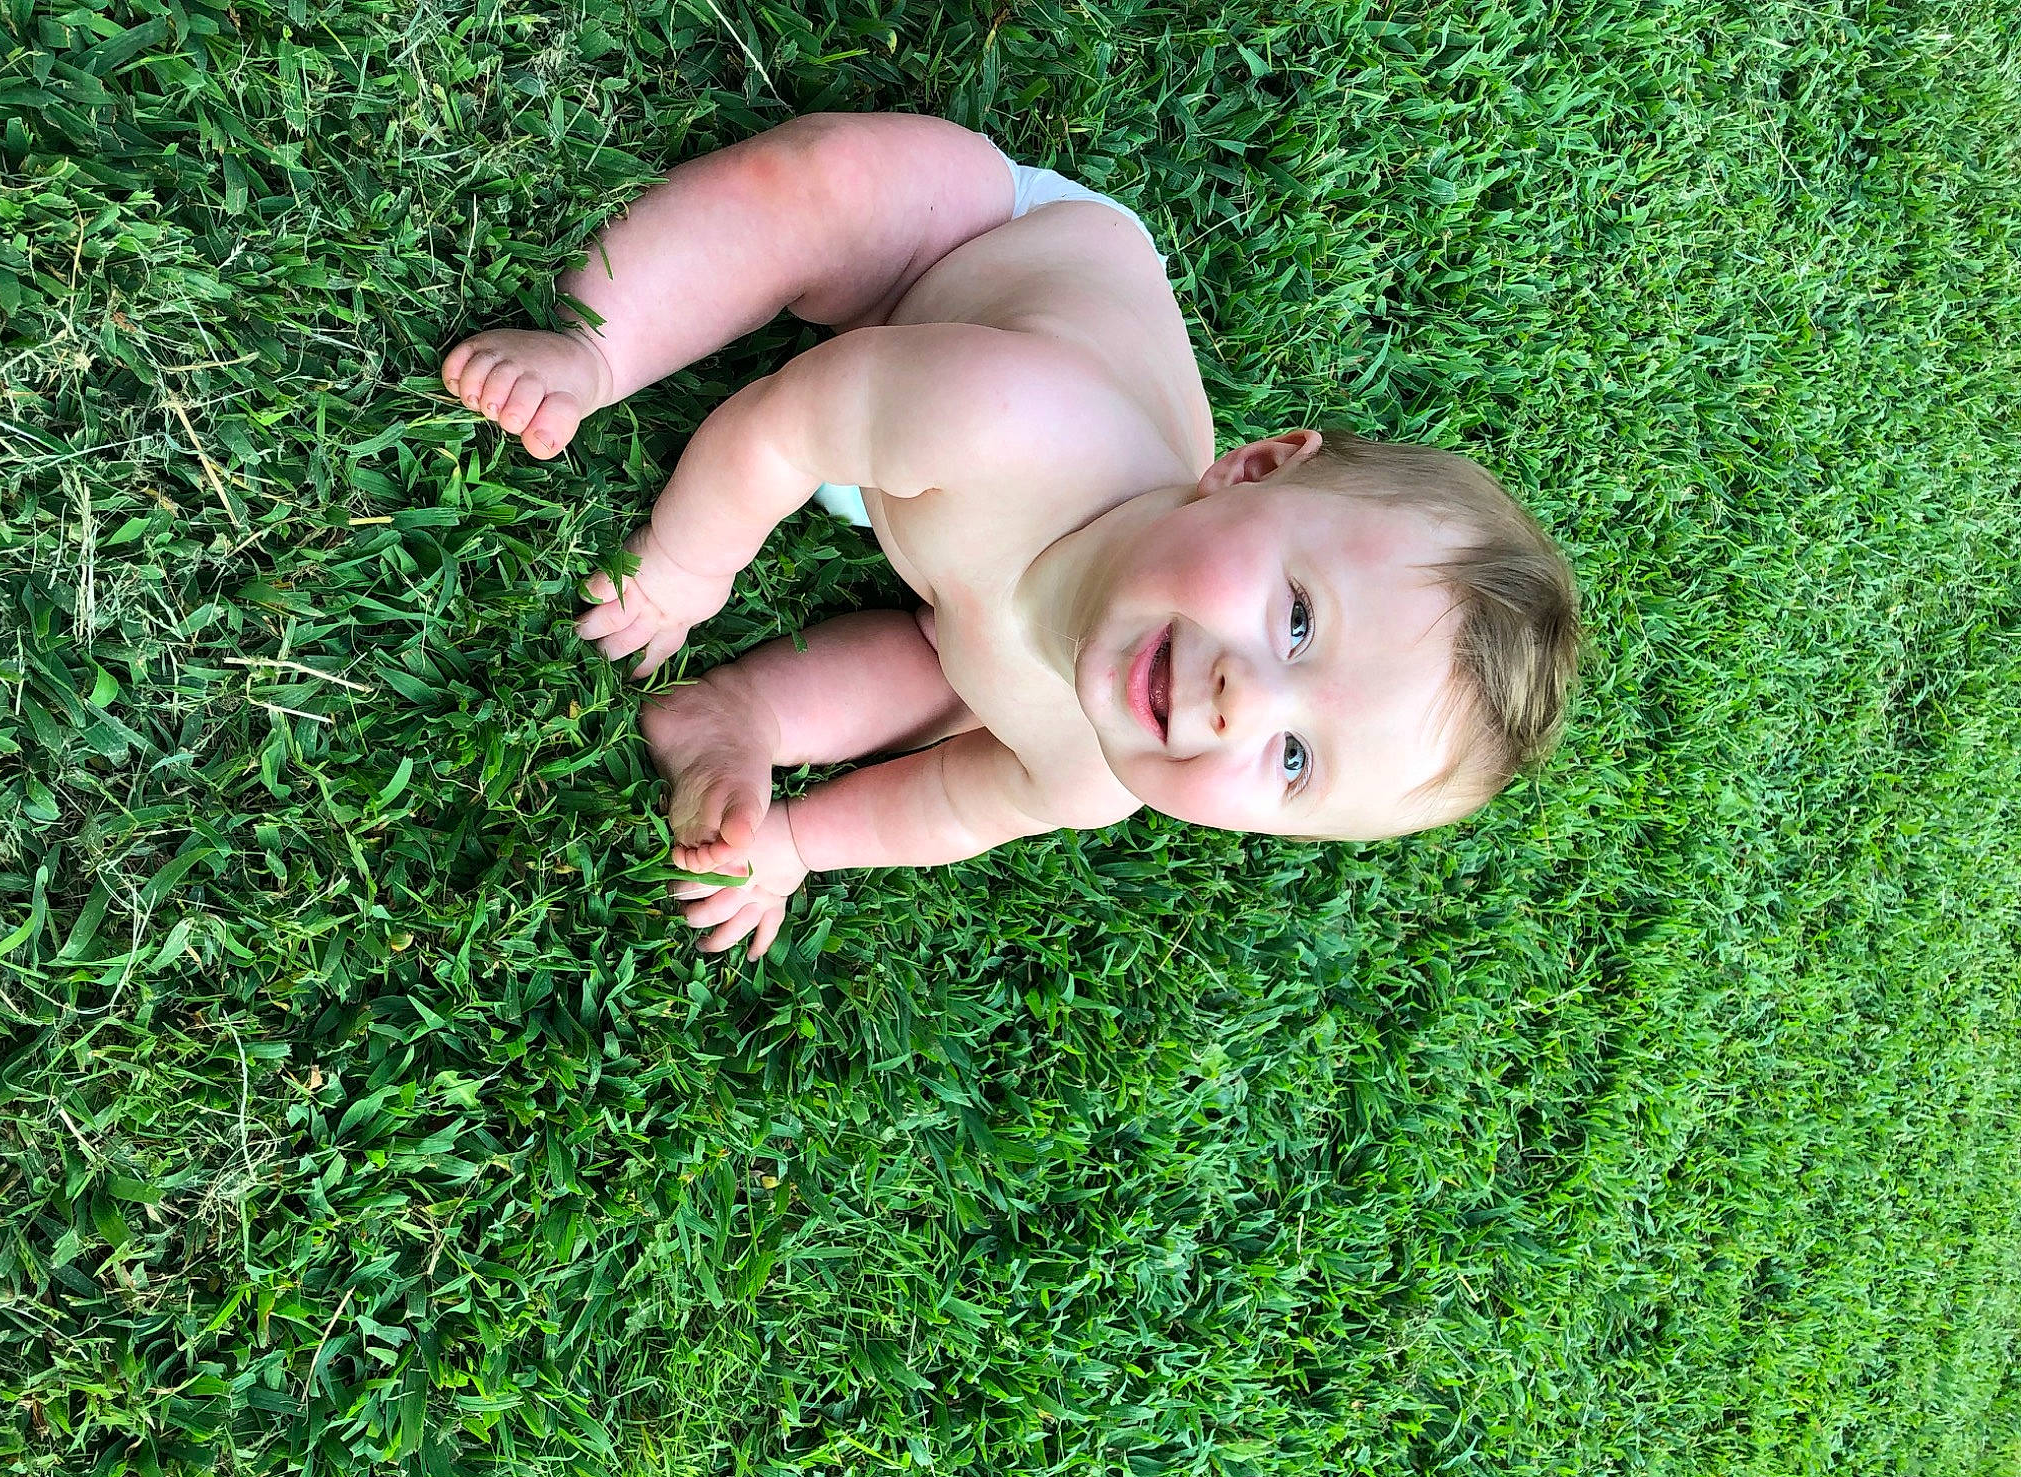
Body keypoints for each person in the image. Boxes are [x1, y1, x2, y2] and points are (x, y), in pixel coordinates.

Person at [441, 114, 1580, 959]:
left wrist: (793, 846)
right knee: (817, 192)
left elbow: (949, 804)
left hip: (943, 539)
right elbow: (787, 424)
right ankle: (597, 346)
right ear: (1250, 468)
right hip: (957, 275)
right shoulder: (1017, 418)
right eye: (1295, 620)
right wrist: (686, 568)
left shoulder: (1095, 767)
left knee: (955, 689)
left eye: (1292, 762)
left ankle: (735, 718)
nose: (1242, 703)